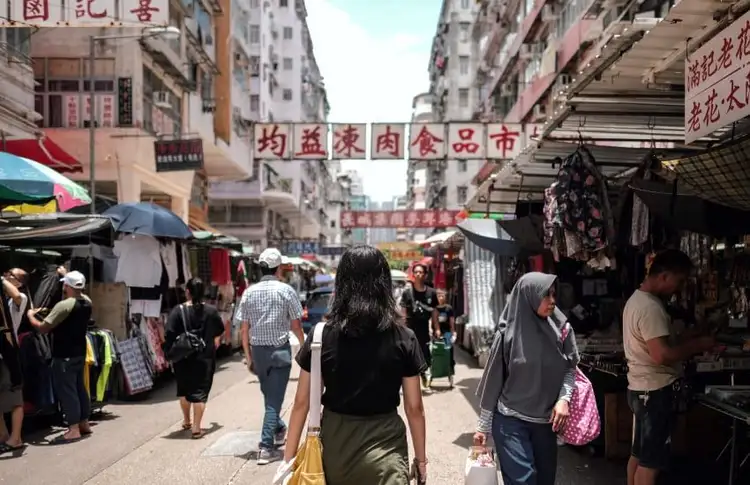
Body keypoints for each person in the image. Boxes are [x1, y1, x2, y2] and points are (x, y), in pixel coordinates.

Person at [284, 245, 428, 484]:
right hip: (387, 453)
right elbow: (414, 408)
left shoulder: (322, 336)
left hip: (335, 451)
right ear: (384, 285)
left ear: (342, 283)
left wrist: (288, 460)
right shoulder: (404, 337)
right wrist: (421, 462)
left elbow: (301, 403)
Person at [474, 272, 579, 485]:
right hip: (510, 421)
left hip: (545, 423)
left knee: (544, 481)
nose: (552, 301)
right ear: (528, 297)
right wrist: (483, 427)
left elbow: (570, 369)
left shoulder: (562, 330)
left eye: (553, 295)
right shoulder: (507, 335)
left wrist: (564, 399)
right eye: (545, 295)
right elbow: (493, 382)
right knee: (523, 481)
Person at [623, 250, 717, 485]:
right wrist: (699, 345)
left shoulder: (636, 300)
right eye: (680, 280)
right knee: (650, 464)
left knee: (639, 455)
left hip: (640, 389)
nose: (680, 287)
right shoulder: (651, 308)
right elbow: (661, 354)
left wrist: (689, 335)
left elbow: (658, 343)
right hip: (655, 393)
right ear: (665, 276)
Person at [236, 247, 304, 465]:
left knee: (270, 398)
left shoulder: (249, 292)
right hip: (279, 351)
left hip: (258, 352)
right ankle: (266, 447)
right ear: (279, 268)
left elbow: (243, 329)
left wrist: (248, 356)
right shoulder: (286, 291)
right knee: (274, 401)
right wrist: (304, 345)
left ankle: (279, 428)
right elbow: (296, 324)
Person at [26, 270, 92, 443]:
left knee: (67, 391)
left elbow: (43, 328)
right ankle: (84, 423)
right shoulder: (87, 302)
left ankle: (73, 429)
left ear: (66, 286)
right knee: (79, 388)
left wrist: (31, 316)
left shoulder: (64, 305)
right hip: (79, 352)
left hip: (64, 354)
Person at [164, 278, 225, 439]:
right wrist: (214, 341)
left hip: (183, 357)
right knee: (200, 393)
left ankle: (186, 420)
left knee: (184, 390)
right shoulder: (211, 311)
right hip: (204, 357)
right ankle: (197, 428)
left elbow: (169, 332)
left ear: (188, 292)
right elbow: (220, 329)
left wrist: (170, 351)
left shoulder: (178, 311)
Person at [0, 270, 29, 453]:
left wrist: (1, 279)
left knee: (14, 397)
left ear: (19, 282)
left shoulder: (20, 298)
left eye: (12, 275)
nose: (7, 275)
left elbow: (16, 295)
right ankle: (3, 435)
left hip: (8, 354)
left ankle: (16, 438)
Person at [400, 263, 437, 388]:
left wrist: (436, 328)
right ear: (413, 274)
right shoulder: (407, 293)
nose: (418, 274)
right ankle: (410, 379)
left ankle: (423, 374)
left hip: (424, 328)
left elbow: (435, 312)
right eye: (416, 272)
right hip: (410, 329)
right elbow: (403, 311)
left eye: (421, 272)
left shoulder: (431, 292)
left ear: (425, 275)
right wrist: (402, 328)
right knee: (409, 354)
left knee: (425, 353)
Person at [434, 289, 457, 373]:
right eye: (438, 296)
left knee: (449, 351)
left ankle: (450, 369)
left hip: (447, 332)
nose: (440, 297)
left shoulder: (449, 308)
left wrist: (453, 332)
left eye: (442, 296)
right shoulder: (435, 308)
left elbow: (452, 321)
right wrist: (436, 330)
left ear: (445, 297)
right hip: (437, 333)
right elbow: (434, 320)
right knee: (436, 351)